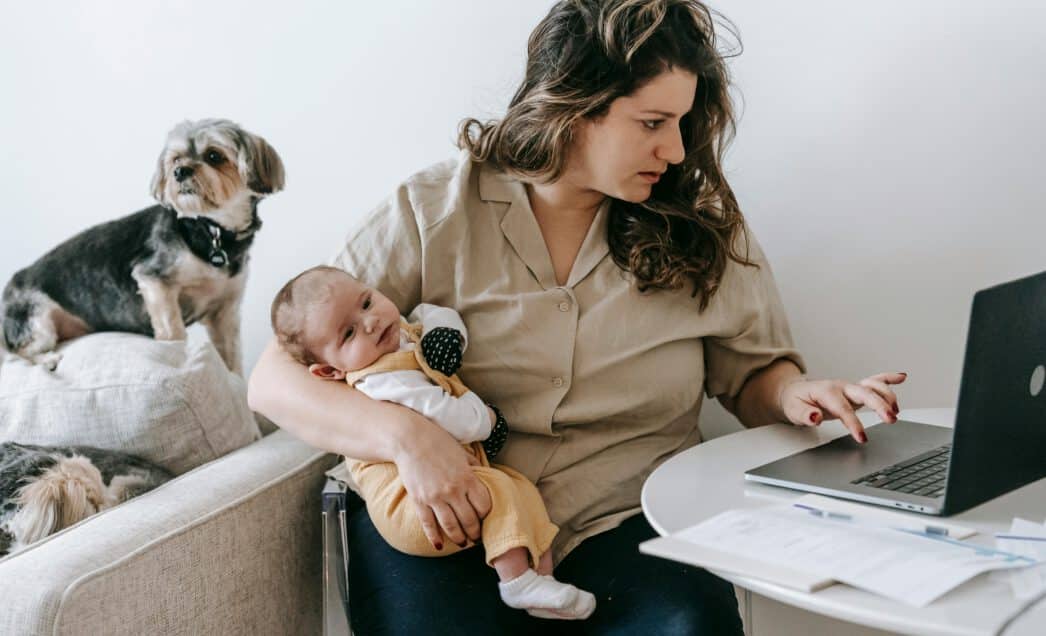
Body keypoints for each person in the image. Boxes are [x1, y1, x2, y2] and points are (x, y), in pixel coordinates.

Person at [248, 0, 906, 633]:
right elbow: (275, 381)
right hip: (446, 522)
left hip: (630, 521)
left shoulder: (698, 225)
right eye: (652, 123)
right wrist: (407, 438)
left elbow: (753, 376)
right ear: (574, 106)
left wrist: (797, 394)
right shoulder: (432, 210)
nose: (676, 151)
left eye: (682, 122)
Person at [269, 265, 596, 619]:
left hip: (451, 482)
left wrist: (446, 335)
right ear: (330, 372)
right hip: (411, 507)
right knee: (503, 491)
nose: (371, 322)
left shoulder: (401, 335)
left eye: (366, 302)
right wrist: (486, 420)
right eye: (348, 333)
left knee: (521, 490)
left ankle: (541, 581)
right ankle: (515, 582)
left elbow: (431, 312)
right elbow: (448, 416)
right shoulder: (380, 380)